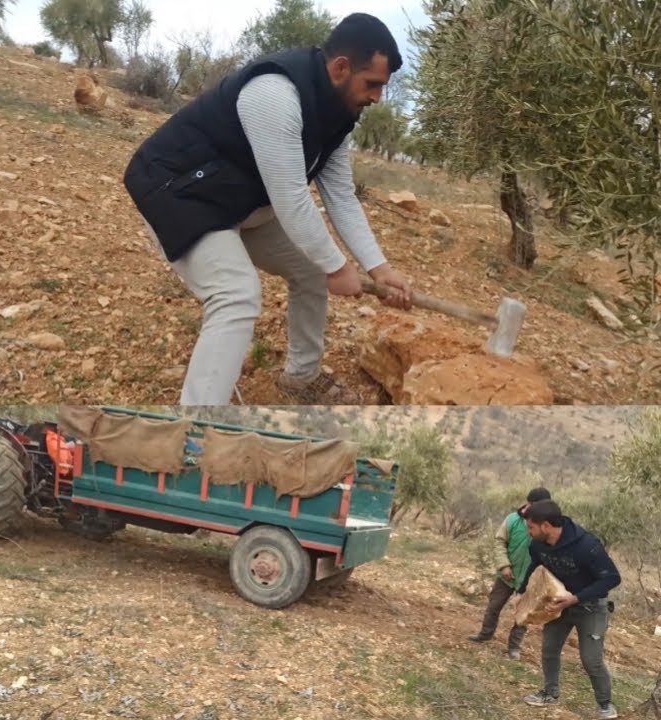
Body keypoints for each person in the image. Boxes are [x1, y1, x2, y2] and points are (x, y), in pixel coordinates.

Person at [122, 13, 415, 405]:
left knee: (310, 268)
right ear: (341, 67)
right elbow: (292, 198)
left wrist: (379, 268)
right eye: (372, 84)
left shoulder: (338, 114)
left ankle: (301, 378)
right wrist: (338, 268)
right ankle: (195, 427)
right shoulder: (274, 94)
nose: (377, 97)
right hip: (180, 194)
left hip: (238, 200)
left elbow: (341, 196)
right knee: (236, 294)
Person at [517, 499, 621, 719]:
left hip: (592, 606)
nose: (529, 532)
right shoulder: (537, 545)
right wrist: (522, 591)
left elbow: (612, 578)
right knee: (549, 649)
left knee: (590, 659)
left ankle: (605, 705)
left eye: (531, 527)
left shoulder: (586, 545)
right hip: (558, 605)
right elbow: (536, 564)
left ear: (546, 526)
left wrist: (575, 598)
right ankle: (550, 693)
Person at [467, 487, 551, 658]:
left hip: (531, 580)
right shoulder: (513, 519)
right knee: (494, 606)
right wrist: (504, 566)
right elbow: (499, 542)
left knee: (523, 614)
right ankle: (485, 633)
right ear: (529, 503)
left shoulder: (548, 525)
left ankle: (514, 647)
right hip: (506, 575)